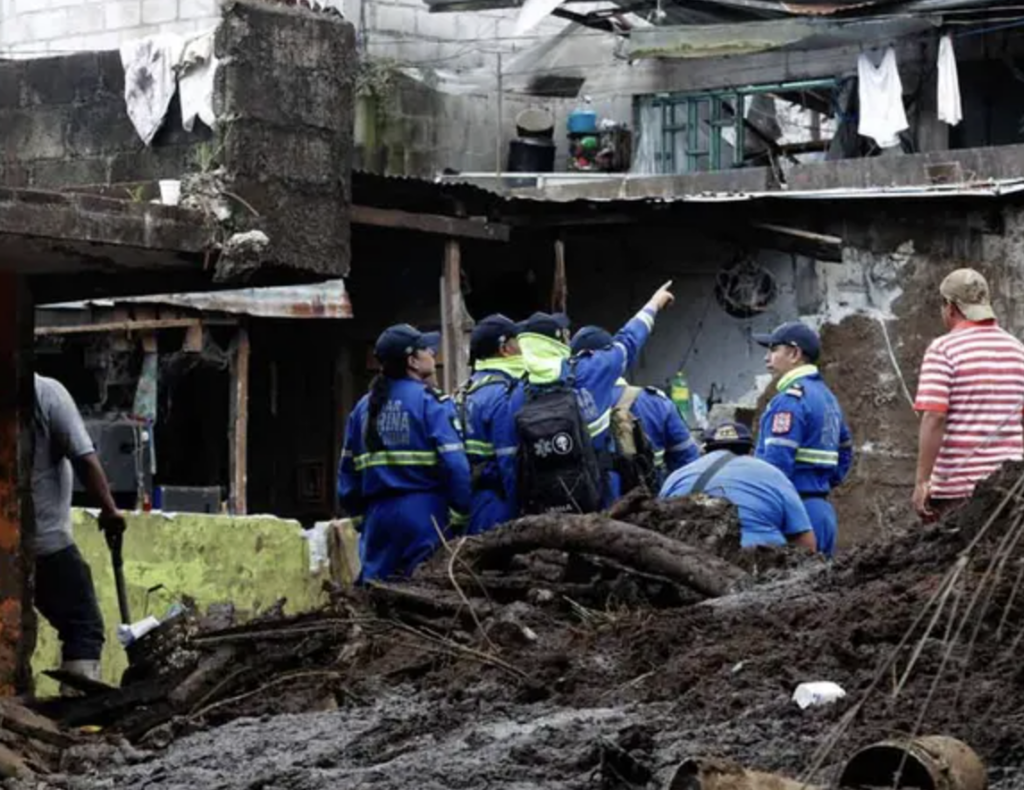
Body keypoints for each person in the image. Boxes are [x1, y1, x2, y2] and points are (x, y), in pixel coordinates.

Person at [501, 281, 676, 513]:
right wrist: (654, 303)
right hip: (600, 496)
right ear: (558, 341)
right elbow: (629, 339)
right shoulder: (590, 369)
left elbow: (511, 462)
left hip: (543, 508)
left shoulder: (517, 390)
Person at [337, 324, 472, 582]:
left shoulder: (362, 409)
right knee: (426, 593)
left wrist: (360, 521)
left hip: (378, 518)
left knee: (376, 595)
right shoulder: (430, 402)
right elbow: (456, 467)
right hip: (424, 514)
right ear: (412, 361)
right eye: (427, 350)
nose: (433, 354)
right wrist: (459, 516)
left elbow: (347, 475)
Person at [32, 374, 127, 686]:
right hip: (45, 545)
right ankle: (77, 715)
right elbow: (84, 460)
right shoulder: (46, 393)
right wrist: (109, 509)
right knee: (83, 626)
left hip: (20, 546)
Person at [913, 268, 1024, 521]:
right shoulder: (1018, 350)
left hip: (958, 492)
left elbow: (934, 417)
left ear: (950, 306)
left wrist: (922, 482)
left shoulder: (943, 350)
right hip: (1009, 492)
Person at [752, 322, 852, 557]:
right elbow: (846, 451)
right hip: (822, 513)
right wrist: (821, 484)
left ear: (795, 353)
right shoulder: (827, 397)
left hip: (795, 518)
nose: (767, 358)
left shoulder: (789, 400)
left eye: (773, 350)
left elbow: (776, 466)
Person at [570, 324, 700, 493]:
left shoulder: (565, 407)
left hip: (588, 516)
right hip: (651, 510)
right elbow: (689, 463)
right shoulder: (657, 403)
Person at [660, 422, 816, 550]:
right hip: (762, 566)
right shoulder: (773, 475)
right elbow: (805, 541)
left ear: (705, 451)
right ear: (750, 451)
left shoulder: (677, 476)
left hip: (686, 564)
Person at [459, 314, 524, 534]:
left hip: (471, 503)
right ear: (504, 348)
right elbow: (509, 462)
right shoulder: (504, 393)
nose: (523, 348)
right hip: (499, 503)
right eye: (518, 341)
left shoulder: (465, 389)